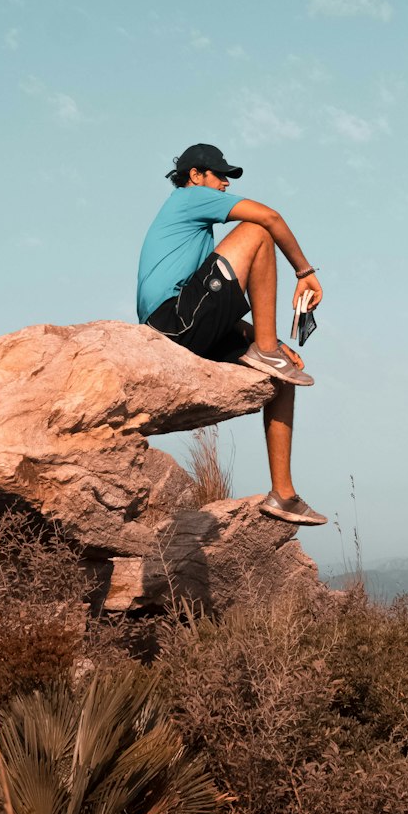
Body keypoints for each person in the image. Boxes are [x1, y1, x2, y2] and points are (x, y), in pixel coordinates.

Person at [136, 142, 327, 527]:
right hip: (170, 323)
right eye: (219, 175)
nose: (225, 183)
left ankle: (283, 495)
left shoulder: (198, 231)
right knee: (256, 231)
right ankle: (266, 349)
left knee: (281, 372)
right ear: (195, 176)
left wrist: (264, 337)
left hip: (187, 322)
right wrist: (305, 273)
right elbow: (270, 217)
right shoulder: (187, 199)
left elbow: (207, 299)